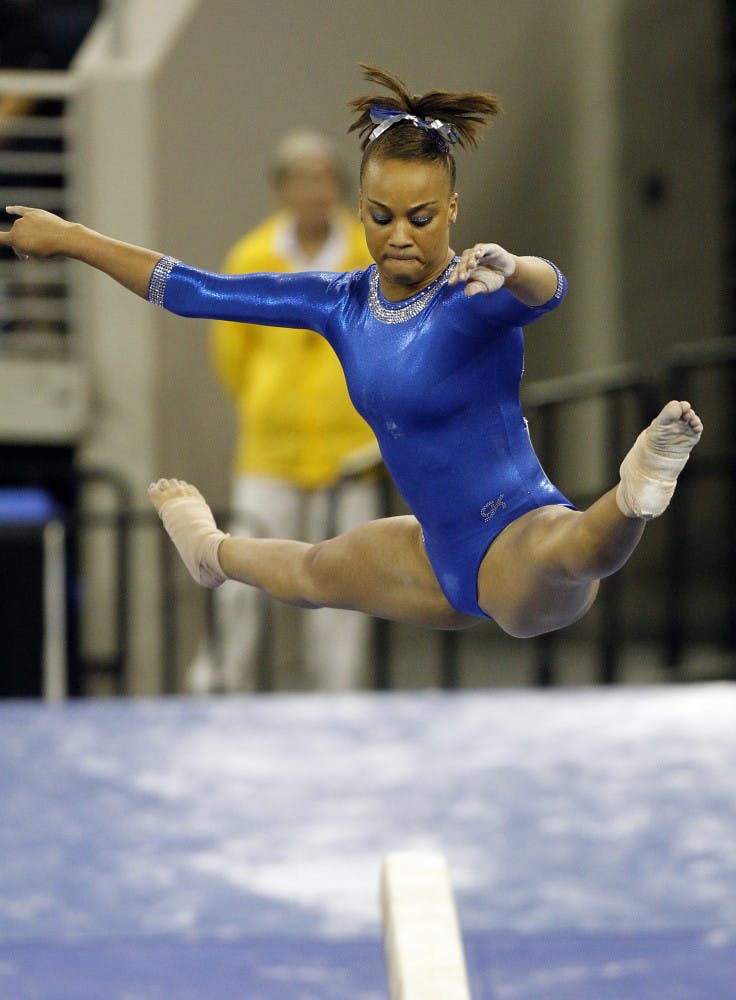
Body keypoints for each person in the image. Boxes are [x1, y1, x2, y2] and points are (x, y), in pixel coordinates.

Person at [0, 63, 703, 646]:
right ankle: (210, 553)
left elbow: (550, 291)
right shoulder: (338, 301)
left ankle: (637, 491)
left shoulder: (474, 291)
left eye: (422, 218)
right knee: (310, 574)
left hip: (519, 530)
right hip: (434, 550)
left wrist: (513, 266)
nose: (401, 236)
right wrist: (70, 238)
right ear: (359, 205)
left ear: (452, 208)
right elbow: (194, 290)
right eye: (381, 216)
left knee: (572, 553)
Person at [199, 129, 379, 693]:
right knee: (244, 574)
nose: (313, 190)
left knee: (349, 588)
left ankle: (338, 700)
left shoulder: (368, 255)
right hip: (269, 452)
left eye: (323, 177)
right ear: (281, 190)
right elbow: (232, 353)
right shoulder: (252, 257)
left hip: (349, 454)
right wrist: (266, 402)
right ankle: (222, 688)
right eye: (300, 179)